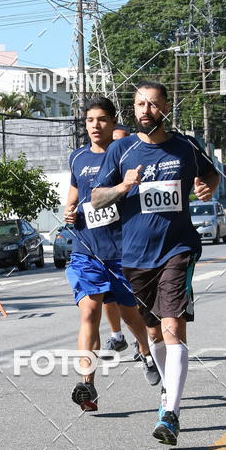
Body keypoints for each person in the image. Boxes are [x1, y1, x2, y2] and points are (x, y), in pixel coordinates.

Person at [91, 81, 220, 445]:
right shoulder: (121, 149)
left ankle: (170, 413)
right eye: (139, 104)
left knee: (172, 326)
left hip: (178, 249)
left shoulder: (186, 146)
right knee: (152, 333)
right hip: (135, 256)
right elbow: (97, 198)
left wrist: (208, 187)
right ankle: (168, 391)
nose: (145, 110)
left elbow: (211, 174)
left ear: (165, 107)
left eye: (152, 104)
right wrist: (122, 187)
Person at [64, 98, 159, 412]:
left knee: (132, 317)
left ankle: (145, 352)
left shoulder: (128, 156)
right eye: (90, 120)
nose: (95, 125)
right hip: (86, 250)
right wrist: (69, 209)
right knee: (89, 313)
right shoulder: (77, 157)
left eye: (102, 119)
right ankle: (87, 385)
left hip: (122, 252)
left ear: (113, 121)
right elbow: (74, 194)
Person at [102, 122, 133, 353]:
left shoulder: (133, 167)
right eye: (113, 141)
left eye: (121, 141)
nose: (116, 145)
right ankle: (117, 336)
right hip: (105, 244)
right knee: (107, 295)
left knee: (134, 298)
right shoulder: (100, 168)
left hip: (132, 244)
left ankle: (145, 342)